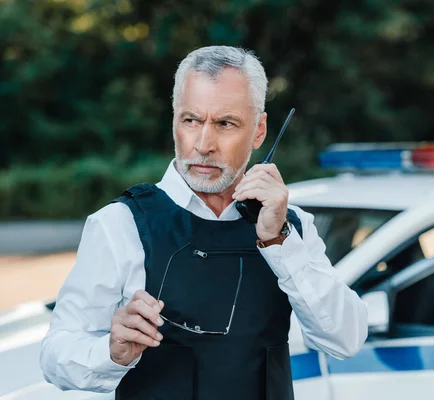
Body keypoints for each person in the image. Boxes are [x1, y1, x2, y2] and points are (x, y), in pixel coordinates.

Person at [39, 45, 368, 400]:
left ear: (259, 131)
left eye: (225, 123)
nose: (204, 144)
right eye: (191, 120)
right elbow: (56, 354)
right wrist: (111, 352)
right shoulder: (121, 224)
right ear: (174, 121)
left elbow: (346, 340)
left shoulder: (292, 227)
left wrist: (279, 242)